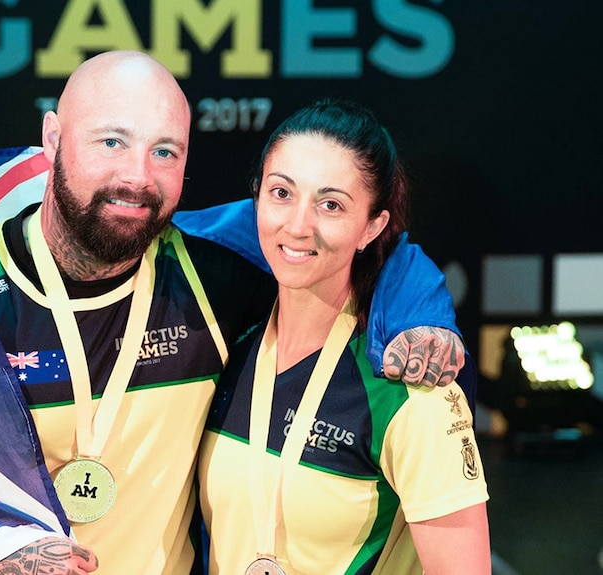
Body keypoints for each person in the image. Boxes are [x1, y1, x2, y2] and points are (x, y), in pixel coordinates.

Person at [0, 52, 465, 575]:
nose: (138, 175)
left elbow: (350, 250)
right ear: (51, 139)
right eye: (112, 141)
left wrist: (420, 308)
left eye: (164, 151)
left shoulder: (213, 275)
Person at [197, 98, 490, 575]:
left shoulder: (411, 386)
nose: (297, 225)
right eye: (281, 193)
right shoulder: (228, 352)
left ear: (373, 227)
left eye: (330, 204)